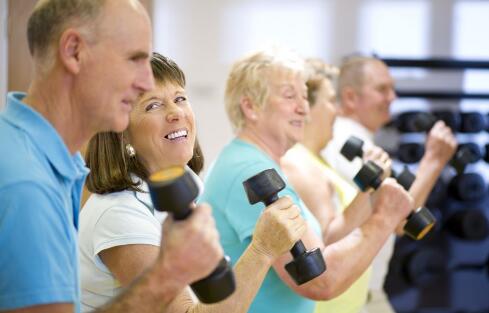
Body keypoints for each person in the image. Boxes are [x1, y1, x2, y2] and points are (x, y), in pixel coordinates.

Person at [0, 1, 225, 312]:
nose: (145, 81)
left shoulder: (53, 165)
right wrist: (167, 275)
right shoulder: (25, 182)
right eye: (133, 59)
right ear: (74, 52)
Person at [80, 52, 306, 313]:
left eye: (180, 99)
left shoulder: (186, 184)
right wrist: (262, 250)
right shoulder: (118, 213)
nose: (176, 112)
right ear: (122, 134)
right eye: (153, 105)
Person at [200, 48, 415, 313]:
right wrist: (384, 218)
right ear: (250, 107)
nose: (303, 108)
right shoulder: (250, 170)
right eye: (290, 96)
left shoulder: (257, 164)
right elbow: (319, 280)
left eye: (304, 96)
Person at [322, 56, 457, 312]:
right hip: (354, 294)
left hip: (368, 290)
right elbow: (399, 219)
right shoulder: (346, 141)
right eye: (382, 89)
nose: (392, 97)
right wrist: (433, 161)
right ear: (350, 97)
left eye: (392, 88)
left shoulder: (360, 141)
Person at [281, 58, 392, 313]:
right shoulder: (300, 163)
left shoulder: (320, 161)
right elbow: (328, 244)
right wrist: (371, 184)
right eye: (331, 101)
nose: (338, 111)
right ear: (307, 108)